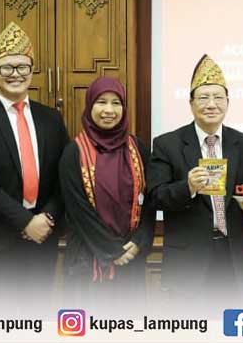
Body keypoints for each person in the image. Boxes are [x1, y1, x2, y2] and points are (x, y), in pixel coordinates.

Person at [0, 22, 69, 316]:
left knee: (39, 317)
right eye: (7, 67)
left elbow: (65, 176)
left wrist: (46, 218)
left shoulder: (51, 118)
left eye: (22, 66)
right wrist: (25, 222)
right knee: (3, 320)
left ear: (32, 71)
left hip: (43, 235)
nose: (15, 74)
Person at [149, 55, 243, 313]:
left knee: (232, 328)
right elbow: (155, 197)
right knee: (190, 328)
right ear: (191, 103)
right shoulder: (167, 144)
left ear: (228, 102)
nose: (211, 104)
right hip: (188, 261)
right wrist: (187, 187)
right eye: (203, 97)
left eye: (218, 97)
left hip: (232, 258)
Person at [59, 77, 156, 315]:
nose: (109, 110)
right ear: (89, 105)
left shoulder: (138, 148)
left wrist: (138, 242)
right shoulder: (73, 152)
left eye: (116, 103)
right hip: (88, 261)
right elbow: (78, 211)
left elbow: (151, 199)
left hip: (131, 258)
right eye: (101, 102)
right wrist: (113, 251)